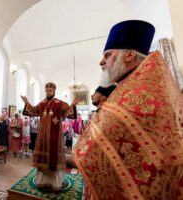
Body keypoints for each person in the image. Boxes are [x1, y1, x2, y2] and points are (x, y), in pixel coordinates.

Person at [74, 20, 183, 199]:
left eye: (108, 54)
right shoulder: (136, 84)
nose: (102, 61)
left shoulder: (141, 93)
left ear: (130, 54)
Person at [21, 82, 79, 191]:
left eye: (50, 90)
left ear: (54, 91)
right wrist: (26, 103)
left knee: (54, 159)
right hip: (43, 136)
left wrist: (73, 105)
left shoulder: (59, 103)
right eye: (47, 90)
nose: (48, 92)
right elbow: (33, 111)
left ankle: (55, 183)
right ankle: (42, 182)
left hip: (55, 137)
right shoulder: (42, 104)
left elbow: (68, 112)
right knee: (43, 160)